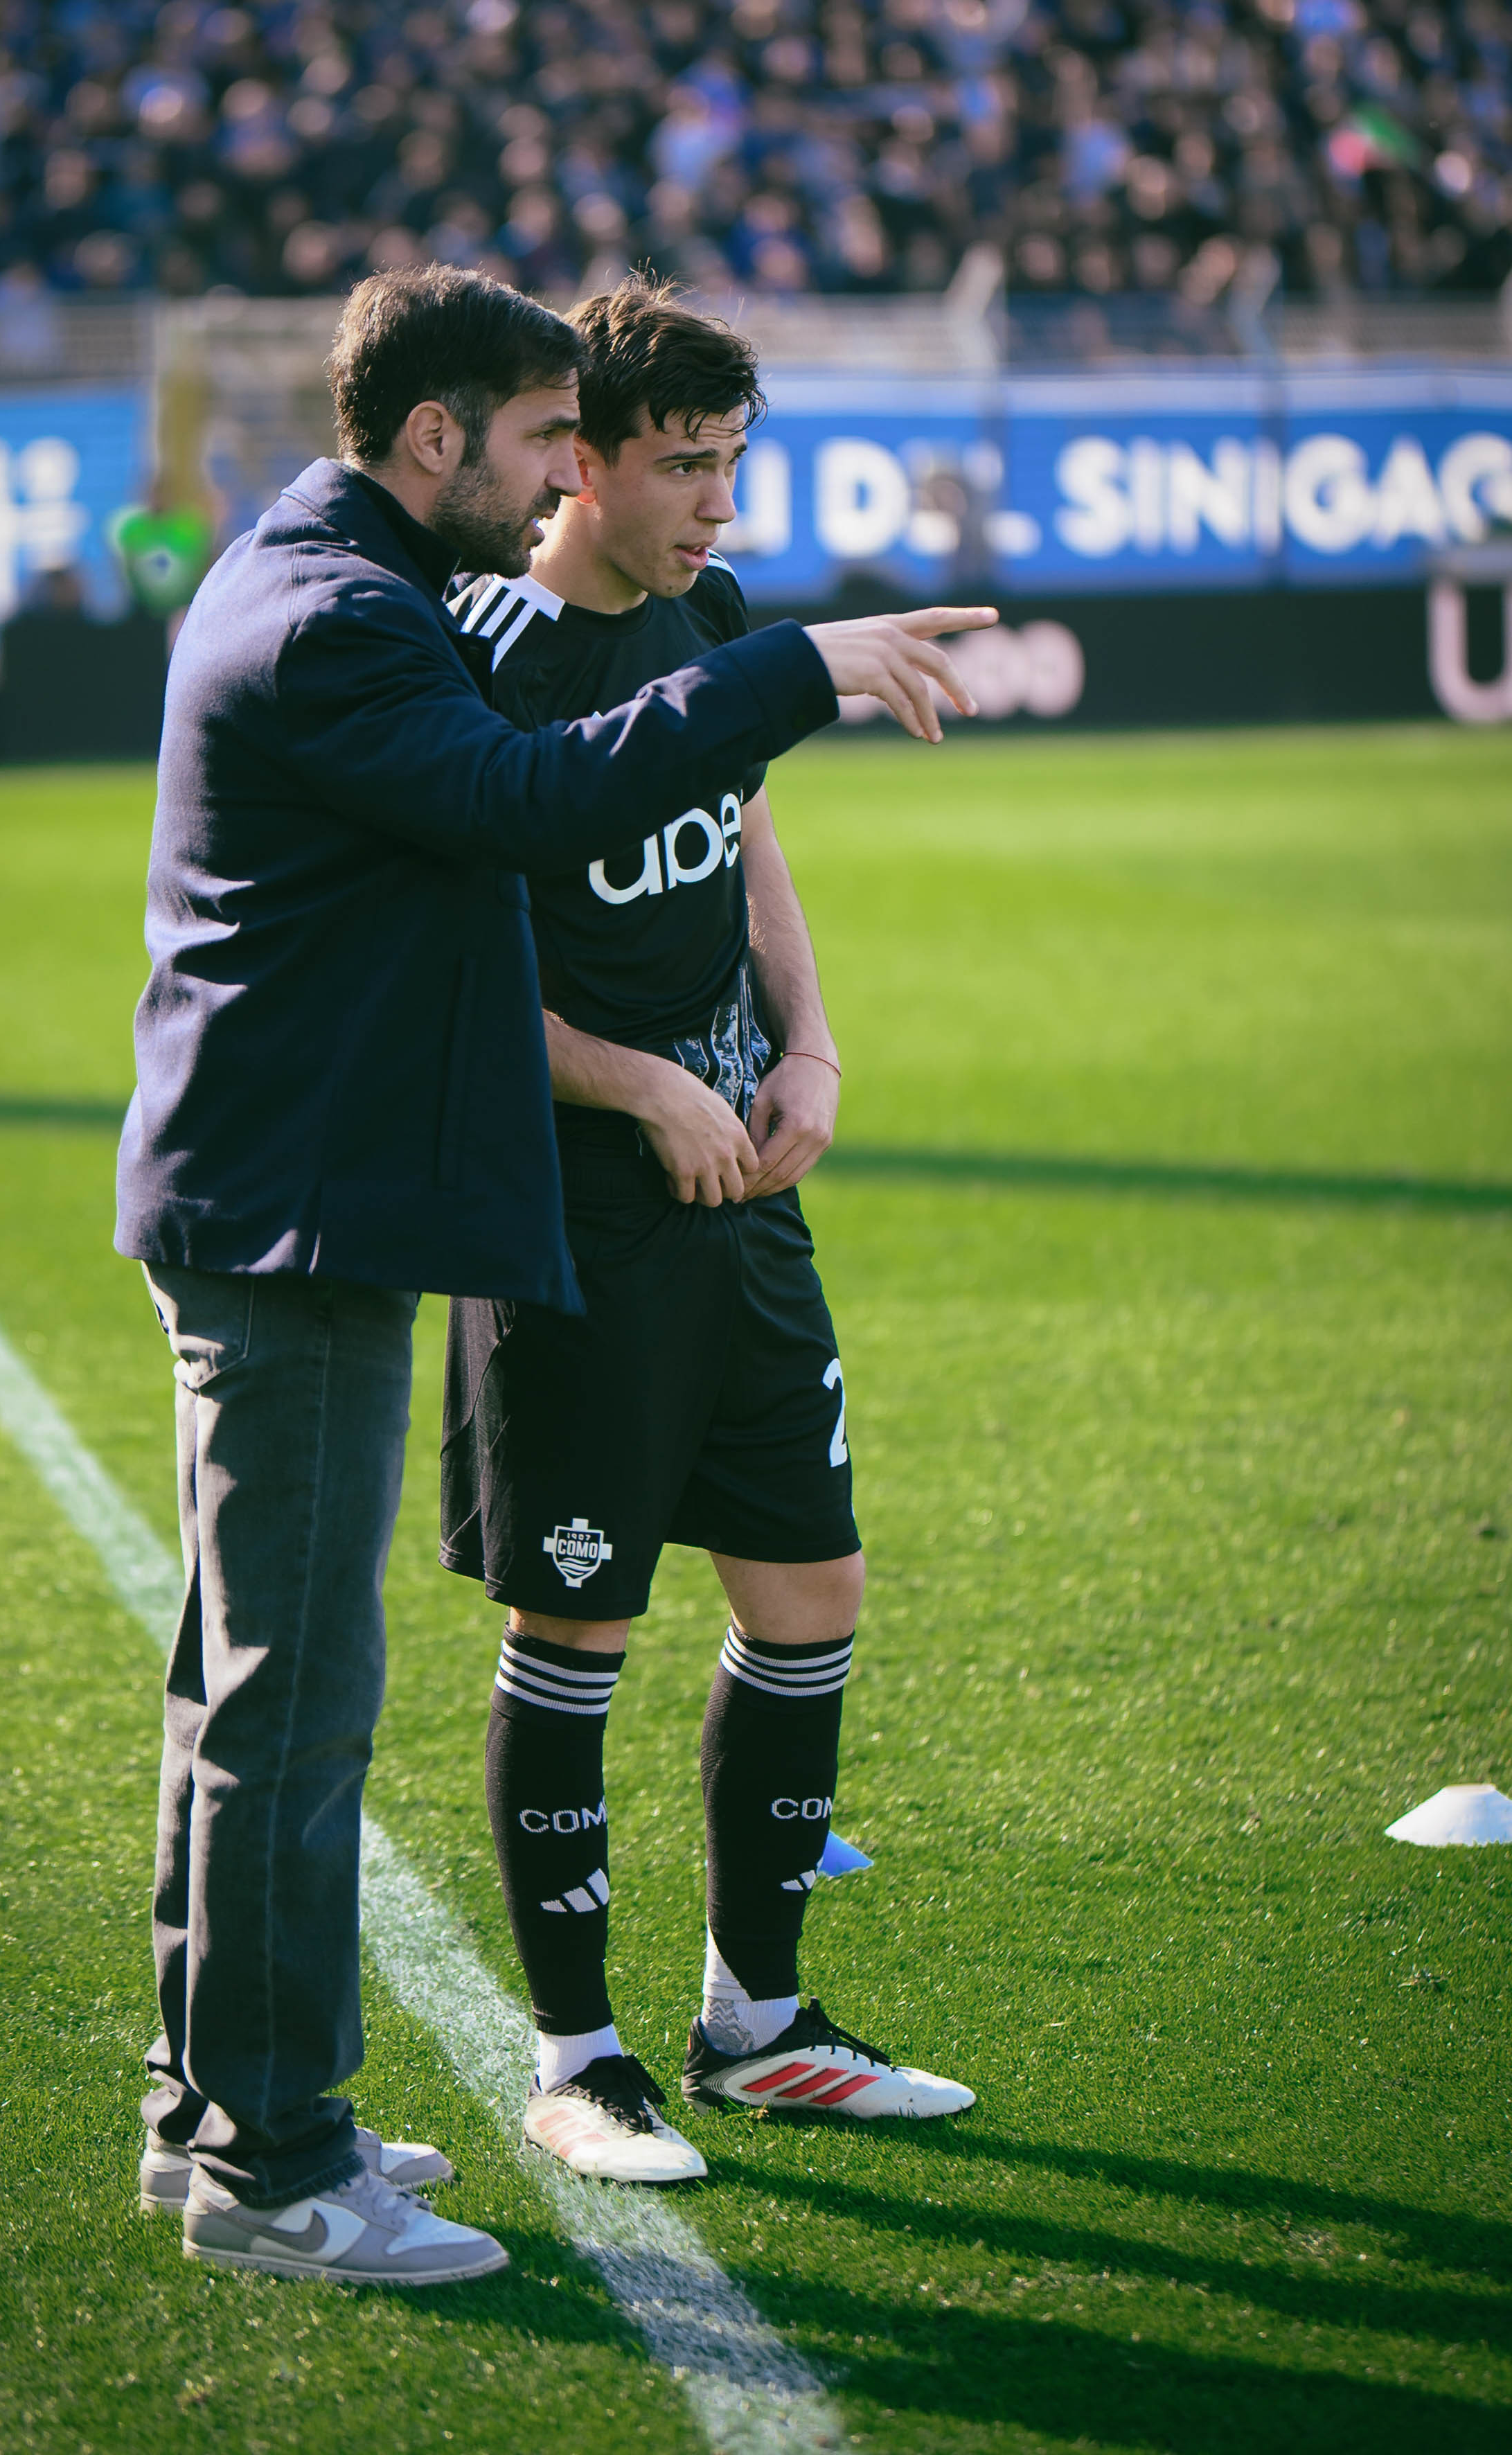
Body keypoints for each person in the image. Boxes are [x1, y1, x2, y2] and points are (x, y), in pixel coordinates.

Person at [113, 261, 996, 2282]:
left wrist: (800, 1043)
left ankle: (234, 2113)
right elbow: (529, 803)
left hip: (352, 1199)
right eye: (543, 442)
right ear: (451, 437)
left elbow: (702, 827)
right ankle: (288, 2155)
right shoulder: (363, 619)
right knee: (291, 1708)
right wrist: (804, 667)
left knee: (255, 1692)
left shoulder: (331, 580)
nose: (555, 477)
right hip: (333, 1212)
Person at [441, 280, 977, 2187]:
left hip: (745, 1192)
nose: (716, 502)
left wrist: (806, 1045)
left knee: (809, 1591)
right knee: (576, 1620)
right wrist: (636, 1085)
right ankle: (575, 2060)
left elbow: (744, 838)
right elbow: (439, 979)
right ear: (573, 463)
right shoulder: (479, 659)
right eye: (683, 465)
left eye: (733, 461)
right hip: (574, 1214)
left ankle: (758, 2025)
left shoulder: (717, 617)